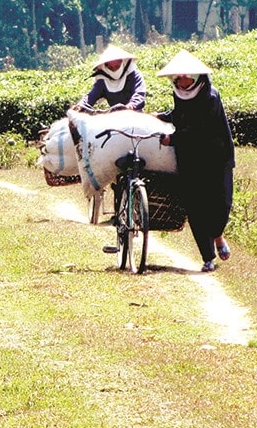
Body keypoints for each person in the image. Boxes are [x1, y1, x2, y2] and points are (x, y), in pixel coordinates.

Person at [156, 49, 235, 273]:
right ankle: (208, 257)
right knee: (196, 208)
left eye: (185, 76)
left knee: (221, 204)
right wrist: (160, 117)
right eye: (177, 77)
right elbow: (180, 115)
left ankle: (218, 235)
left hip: (216, 158)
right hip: (189, 160)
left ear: (196, 76)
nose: (181, 81)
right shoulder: (179, 93)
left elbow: (199, 127)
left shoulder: (211, 97)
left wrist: (173, 138)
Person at [75, 45, 147, 112]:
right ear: (106, 66)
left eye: (117, 66)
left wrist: (130, 106)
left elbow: (139, 94)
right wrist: (80, 106)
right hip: (114, 117)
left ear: (122, 61)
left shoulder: (133, 75)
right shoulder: (103, 80)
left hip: (136, 116)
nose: (114, 69)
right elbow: (91, 97)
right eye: (111, 67)